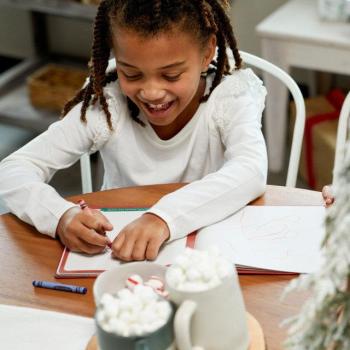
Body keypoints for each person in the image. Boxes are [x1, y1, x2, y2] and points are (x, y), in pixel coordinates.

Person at [0, 0, 267, 261]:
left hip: (207, 252)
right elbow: (14, 169)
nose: (151, 92)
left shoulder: (229, 97)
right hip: (118, 256)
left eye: (171, 75)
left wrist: (163, 217)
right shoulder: (108, 103)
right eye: (132, 74)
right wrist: (60, 216)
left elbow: (250, 170)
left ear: (208, 52)